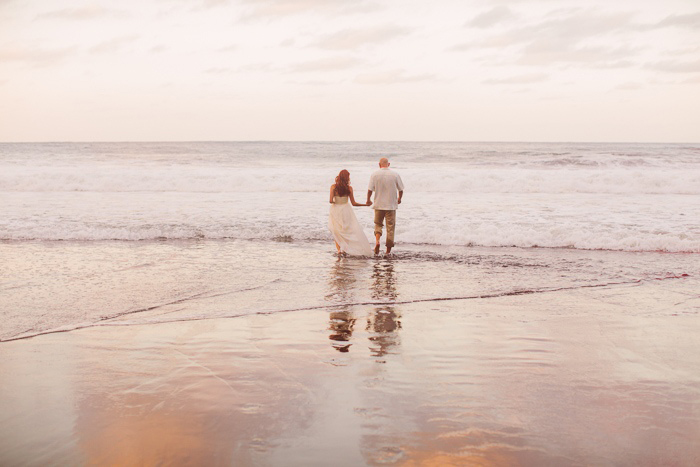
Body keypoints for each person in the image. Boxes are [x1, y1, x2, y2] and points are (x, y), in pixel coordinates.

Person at [328, 169, 373, 256]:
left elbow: (330, 200)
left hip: (336, 210)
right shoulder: (349, 188)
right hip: (346, 210)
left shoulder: (333, 187)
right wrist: (365, 205)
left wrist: (336, 202)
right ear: (347, 178)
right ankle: (345, 249)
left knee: (336, 231)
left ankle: (339, 250)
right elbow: (354, 203)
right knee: (346, 230)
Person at [366, 157, 404, 255]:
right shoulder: (395, 174)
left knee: (378, 224)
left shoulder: (374, 174)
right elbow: (401, 189)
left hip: (378, 204)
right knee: (390, 228)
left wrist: (368, 199)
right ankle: (387, 252)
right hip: (391, 206)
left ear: (379, 165)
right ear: (389, 164)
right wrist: (399, 198)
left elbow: (370, 189)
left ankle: (378, 241)